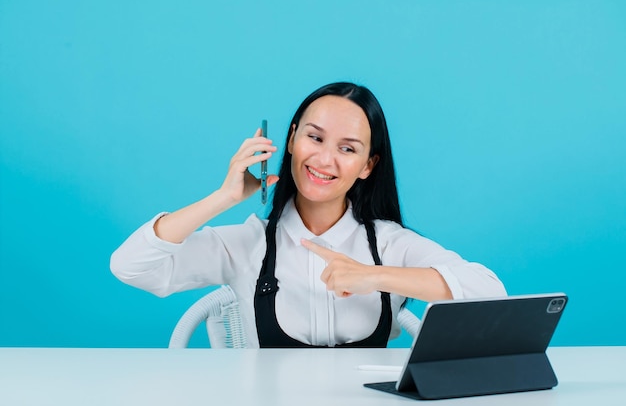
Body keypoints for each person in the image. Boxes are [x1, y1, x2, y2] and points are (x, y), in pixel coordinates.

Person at [110, 82, 506, 348]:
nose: (324, 159)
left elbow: (490, 292)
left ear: (368, 166)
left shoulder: (388, 243)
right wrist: (224, 197)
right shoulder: (248, 244)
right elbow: (130, 267)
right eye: (314, 138)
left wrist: (373, 276)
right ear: (292, 139)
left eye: (348, 149)